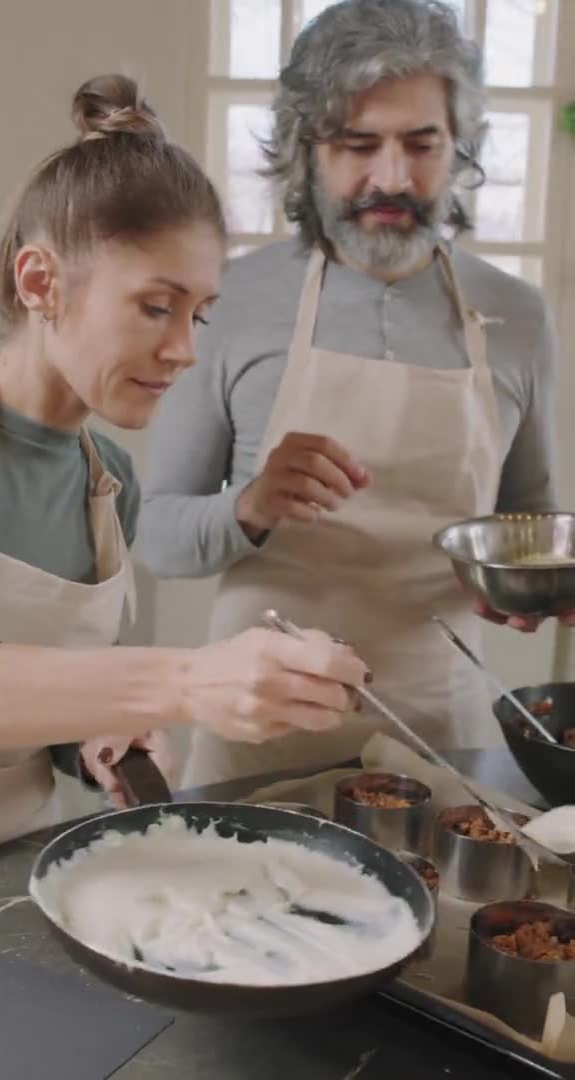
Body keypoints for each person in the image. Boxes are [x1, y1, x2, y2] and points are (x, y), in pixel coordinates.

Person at [140, 0, 561, 787]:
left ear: (458, 147)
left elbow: (523, 527)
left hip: (441, 729)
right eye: (359, 145)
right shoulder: (233, 299)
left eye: (421, 144)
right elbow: (157, 536)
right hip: (260, 716)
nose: (392, 178)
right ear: (307, 150)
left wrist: (533, 590)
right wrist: (252, 505)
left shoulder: (517, 319)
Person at [0, 74, 367, 855]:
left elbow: (52, 698)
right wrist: (186, 682)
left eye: (200, 315)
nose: (185, 349)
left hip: (13, 872)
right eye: (157, 307)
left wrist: (97, 738)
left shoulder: (106, 483)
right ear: (41, 282)